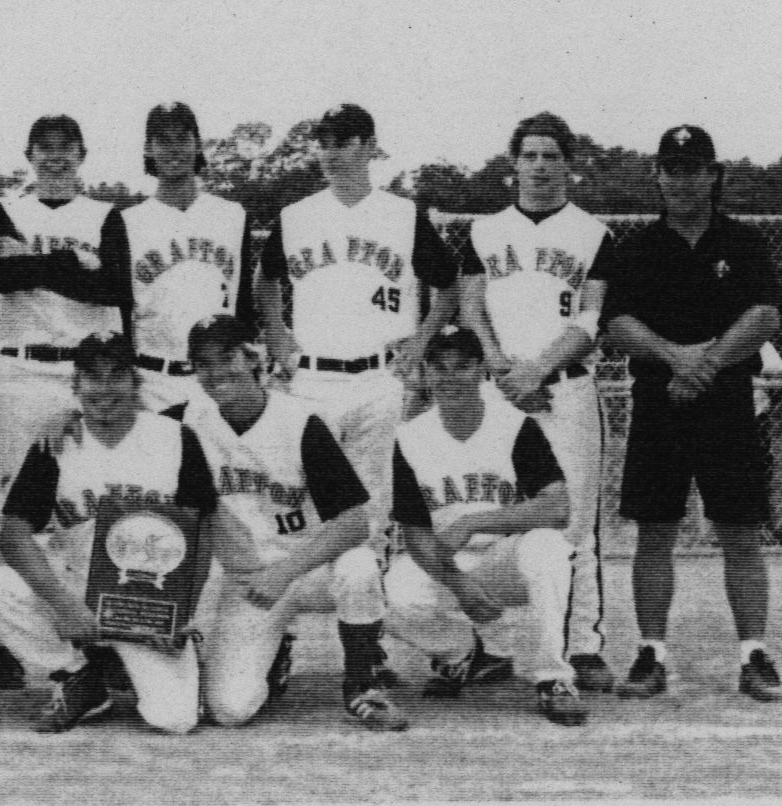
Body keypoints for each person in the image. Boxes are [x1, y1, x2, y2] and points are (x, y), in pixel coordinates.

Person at [602, 125, 782, 702]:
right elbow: (616, 324)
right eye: (671, 170)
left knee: (739, 531)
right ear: (657, 176)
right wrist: (674, 358)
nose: (681, 181)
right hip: (658, 404)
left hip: (728, 404)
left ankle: (753, 654)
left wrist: (705, 365)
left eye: (693, 170)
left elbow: (766, 316)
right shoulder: (637, 246)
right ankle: (651, 654)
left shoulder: (744, 241)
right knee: (655, 532)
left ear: (713, 175)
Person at [0, 331, 224, 735]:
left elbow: (200, 532)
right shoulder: (55, 443)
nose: (105, 389)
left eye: (116, 375)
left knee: (174, 719)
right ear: (75, 385)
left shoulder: (174, 437)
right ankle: (77, 673)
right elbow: (14, 536)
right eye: (93, 376)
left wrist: (180, 614)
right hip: (79, 590)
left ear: (137, 381)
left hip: (149, 599)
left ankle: (118, 659)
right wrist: (63, 605)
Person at [171, 315, 405, 731]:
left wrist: (286, 572)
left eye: (228, 357)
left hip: (315, 569)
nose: (215, 371)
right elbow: (121, 429)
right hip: (250, 583)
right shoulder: (185, 421)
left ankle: (361, 683)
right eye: (203, 362)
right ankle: (274, 649)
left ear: (254, 357)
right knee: (230, 711)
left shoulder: (302, 422)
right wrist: (66, 421)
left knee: (360, 567)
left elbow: (354, 525)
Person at [256, 103, 458, 562]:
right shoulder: (297, 216)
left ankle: (366, 622)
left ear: (369, 147)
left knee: (372, 510)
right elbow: (265, 280)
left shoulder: (403, 216)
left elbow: (448, 285)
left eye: (343, 142)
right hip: (311, 380)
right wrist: (277, 336)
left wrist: (422, 340)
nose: (331, 153)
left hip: (379, 379)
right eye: (323, 143)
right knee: (300, 507)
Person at [458, 112, 617, 692]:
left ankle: (584, 646)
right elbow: (471, 306)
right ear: (514, 164)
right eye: (530, 156)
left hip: (566, 387)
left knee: (577, 520)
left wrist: (536, 370)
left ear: (569, 166)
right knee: (484, 514)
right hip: (496, 389)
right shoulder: (482, 230)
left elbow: (591, 318)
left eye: (552, 156)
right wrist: (498, 363)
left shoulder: (595, 233)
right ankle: (490, 644)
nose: (541, 166)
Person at [0, 115, 128, 694]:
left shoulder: (105, 214)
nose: (56, 158)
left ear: (83, 154)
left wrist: (38, 264)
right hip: (23, 369)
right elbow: (4, 279)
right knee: (12, 505)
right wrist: (71, 265)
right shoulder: (7, 209)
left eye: (67, 149)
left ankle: (99, 634)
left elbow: (113, 288)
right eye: (45, 148)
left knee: (87, 498)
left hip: (89, 370)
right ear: (30, 154)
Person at [384, 327, 587, 726]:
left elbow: (558, 508)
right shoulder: (408, 438)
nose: (450, 378)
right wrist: (460, 585)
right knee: (388, 590)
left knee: (549, 548)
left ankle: (553, 678)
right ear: (425, 373)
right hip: (445, 564)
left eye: (461, 367)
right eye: (439, 368)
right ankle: (460, 653)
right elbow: (416, 534)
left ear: (480, 370)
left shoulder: (515, 426)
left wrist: (475, 521)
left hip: (504, 559)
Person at [120, 102, 255, 411]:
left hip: (219, 379)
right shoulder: (127, 222)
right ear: (148, 148)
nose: (173, 149)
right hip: (153, 379)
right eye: (163, 140)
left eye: (182, 138)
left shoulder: (232, 215)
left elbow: (243, 300)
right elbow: (120, 310)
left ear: (197, 144)